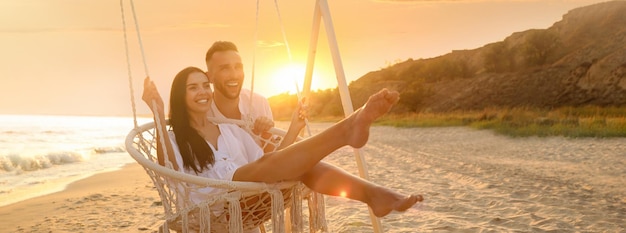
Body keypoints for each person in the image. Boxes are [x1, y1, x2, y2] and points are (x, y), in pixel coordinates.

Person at [142, 66, 422, 223]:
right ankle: (346, 131)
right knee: (276, 167)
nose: (203, 92)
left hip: (253, 195)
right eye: (193, 88)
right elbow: (166, 164)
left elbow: (274, 161)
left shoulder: (230, 130)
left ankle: (375, 195)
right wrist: (156, 112)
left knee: (304, 167)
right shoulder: (174, 136)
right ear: (179, 96)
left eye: (205, 85)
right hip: (216, 208)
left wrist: (294, 129)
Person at [204, 41, 288, 151]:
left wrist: (266, 134)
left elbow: (272, 156)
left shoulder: (259, 103)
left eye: (238, 67)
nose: (234, 75)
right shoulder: (202, 111)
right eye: (224, 68)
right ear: (209, 77)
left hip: (265, 166)